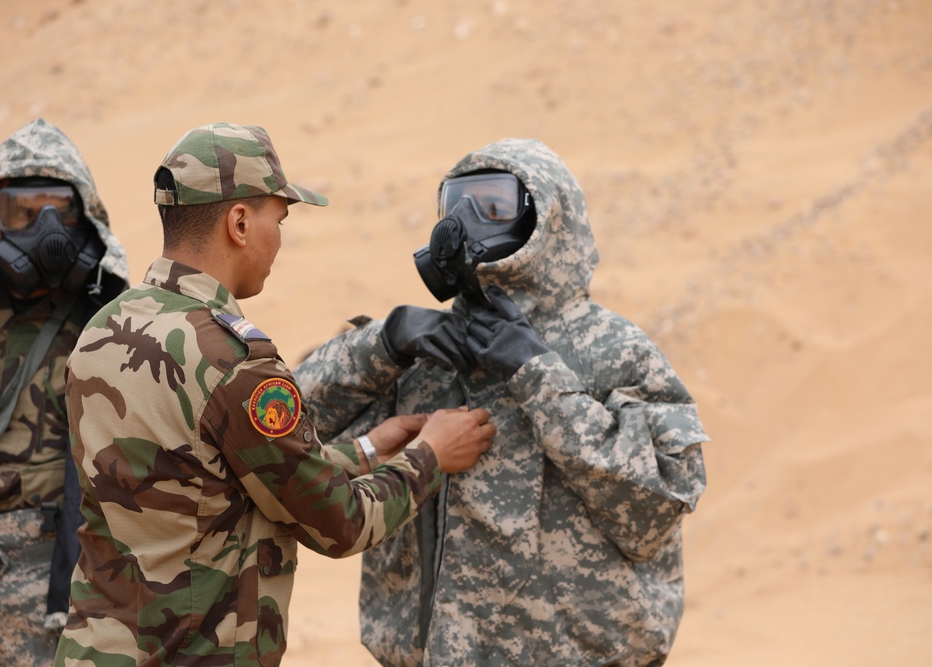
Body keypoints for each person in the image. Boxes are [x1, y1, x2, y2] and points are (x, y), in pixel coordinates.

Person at [53, 122, 495, 667]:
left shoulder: (105, 326)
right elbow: (339, 524)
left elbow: (209, 475)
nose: (279, 239)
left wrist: (367, 450)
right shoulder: (234, 362)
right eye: (278, 219)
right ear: (239, 222)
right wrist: (430, 456)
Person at [295, 138, 710, 666]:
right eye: (457, 204)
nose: (468, 221)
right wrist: (379, 343)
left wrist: (538, 375)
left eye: (494, 206)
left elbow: (653, 510)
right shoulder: (420, 351)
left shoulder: (616, 351)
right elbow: (284, 446)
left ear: (546, 218)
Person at [0, 118, 130, 665]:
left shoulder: (120, 325)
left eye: (61, 211)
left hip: (71, 587)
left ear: (85, 217)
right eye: (22, 212)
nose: (46, 228)